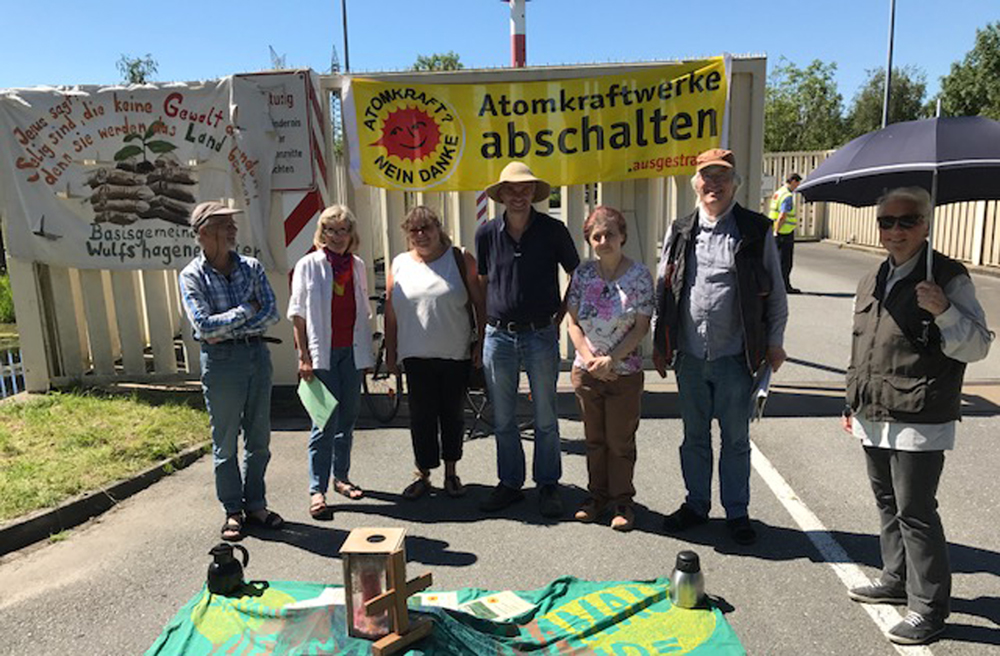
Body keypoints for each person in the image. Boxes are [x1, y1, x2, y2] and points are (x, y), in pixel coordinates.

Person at [842, 187, 992, 646]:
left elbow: (978, 345)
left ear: (926, 224)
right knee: (887, 503)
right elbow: (861, 344)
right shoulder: (872, 278)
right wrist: (851, 401)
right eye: (886, 221)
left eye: (906, 221)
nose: (895, 230)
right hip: (873, 410)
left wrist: (944, 310)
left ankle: (928, 608)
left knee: (916, 512)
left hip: (919, 415)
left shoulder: (948, 277)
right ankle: (895, 576)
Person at [652, 148, 788, 546]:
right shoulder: (679, 230)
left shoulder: (755, 230)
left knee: (735, 440)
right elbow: (665, 290)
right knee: (694, 437)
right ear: (696, 184)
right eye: (707, 178)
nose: (714, 185)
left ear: (734, 184)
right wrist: (661, 344)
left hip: (734, 358)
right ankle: (696, 505)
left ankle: (737, 512)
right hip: (690, 358)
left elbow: (776, 295)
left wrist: (775, 342)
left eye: (722, 178)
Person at [475, 161, 580, 517]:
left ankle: (548, 484)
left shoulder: (553, 230)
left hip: (540, 334)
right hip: (498, 336)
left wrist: (561, 315)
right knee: (502, 417)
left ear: (533, 193)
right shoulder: (487, 233)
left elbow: (577, 276)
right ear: (501, 195)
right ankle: (510, 483)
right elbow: (483, 281)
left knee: (545, 415)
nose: (518, 196)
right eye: (511, 190)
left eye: (524, 190)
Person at [179, 201, 283, 542]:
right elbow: (205, 327)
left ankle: (256, 504)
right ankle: (232, 511)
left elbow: (271, 313)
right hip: (221, 362)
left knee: (259, 439)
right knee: (225, 442)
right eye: (225, 224)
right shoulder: (191, 276)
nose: (233, 229)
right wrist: (244, 311)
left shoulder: (251, 266)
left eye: (233, 224)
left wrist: (232, 322)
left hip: (257, 354)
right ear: (204, 233)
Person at [385, 206, 486, 500]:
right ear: (407, 234)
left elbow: (481, 303)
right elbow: (391, 313)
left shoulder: (459, 257)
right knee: (421, 417)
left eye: (426, 228)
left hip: (455, 353)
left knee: (452, 416)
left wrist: (481, 342)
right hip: (415, 355)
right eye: (413, 230)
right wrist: (391, 353)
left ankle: (451, 472)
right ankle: (423, 474)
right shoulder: (400, 263)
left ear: (438, 229)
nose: (421, 235)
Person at [566, 206, 653, 532]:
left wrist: (611, 359)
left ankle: (622, 502)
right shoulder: (583, 274)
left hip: (623, 372)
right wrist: (590, 359)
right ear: (589, 240)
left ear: (622, 237)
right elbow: (572, 322)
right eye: (597, 236)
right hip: (587, 371)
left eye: (610, 235)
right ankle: (596, 497)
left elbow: (641, 326)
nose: (604, 241)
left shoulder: (639, 275)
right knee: (594, 440)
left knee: (620, 441)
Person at [288, 205, 374, 520]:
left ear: (352, 234)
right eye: (330, 231)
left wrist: (366, 353)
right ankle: (317, 489)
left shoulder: (359, 265)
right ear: (321, 233)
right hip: (320, 354)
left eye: (343, 230)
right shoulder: (308, 265)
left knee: (348, 418)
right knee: (323, 423)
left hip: (351, 353)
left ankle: (342, 477)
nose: (337, 237)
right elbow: (297, 313)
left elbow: (363, 311)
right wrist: (303, 356)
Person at [769, 173, 802, 294]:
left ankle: (776, 285)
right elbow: (782, 215)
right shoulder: (787, 196)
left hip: (776, 231)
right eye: (797, 183)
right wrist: (777, 230)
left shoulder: (779, 192)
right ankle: (784, 286)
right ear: (793, 181)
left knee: (776, 260)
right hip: (784, 232)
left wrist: (774, 231)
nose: (797, 186)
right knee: (785, 261)